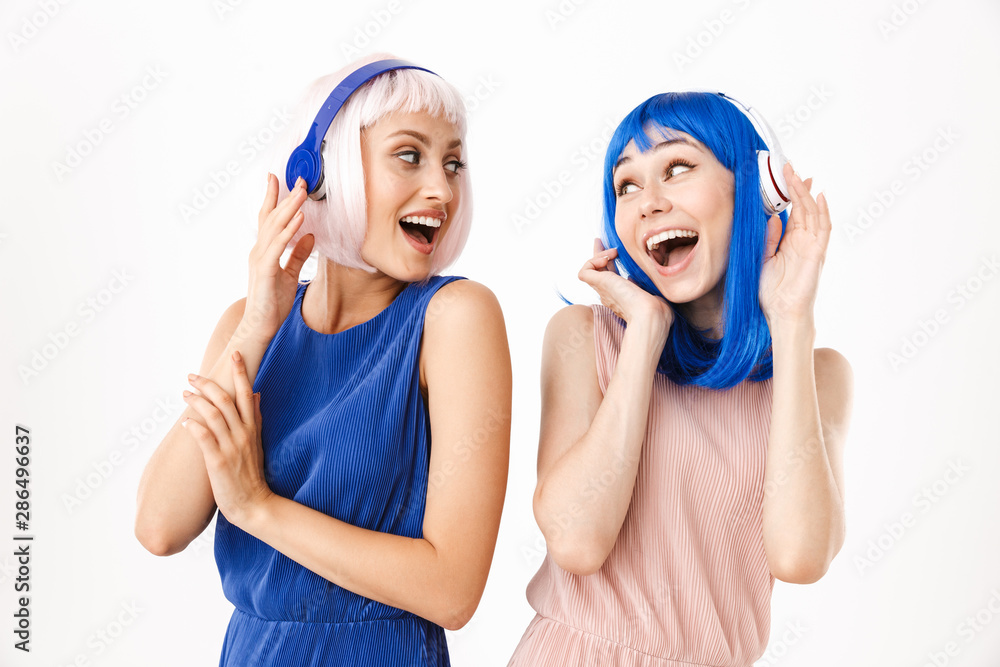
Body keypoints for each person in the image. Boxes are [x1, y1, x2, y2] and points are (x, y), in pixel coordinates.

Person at [134, 53, 512, 667]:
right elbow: (159, 527)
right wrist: (259, 322)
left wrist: (257, 507)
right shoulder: (247, 325)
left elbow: (453, 591)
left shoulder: (455, 318)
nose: (442, 189)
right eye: (409, 155)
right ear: (323, 172)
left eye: (453, 163)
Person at [508, 91, 853, 666]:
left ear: (755, 190)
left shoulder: (818, 374)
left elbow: (800, 557)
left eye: (677, 168)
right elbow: (576, 541)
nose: (647, 202)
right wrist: (644, 331)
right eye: (627, 186)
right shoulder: (582, 338)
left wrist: (792, 320)